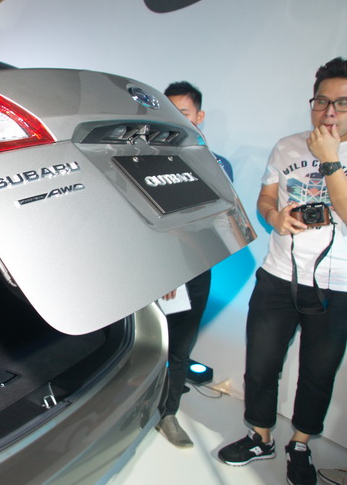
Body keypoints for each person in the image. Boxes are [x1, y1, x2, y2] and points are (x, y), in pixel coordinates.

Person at [217, 57, 347, 485]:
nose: (329, 112)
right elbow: (265, 199)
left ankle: (301, 444)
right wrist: (276, 217)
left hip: (337, 285)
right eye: (322, 101)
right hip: (277, 275)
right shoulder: (287, 146)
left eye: (342, 103)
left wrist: (330, 160)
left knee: (317, 374)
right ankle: (260, 436)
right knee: (261, 364)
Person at [155, 81, 233, 448]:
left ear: (198, 117)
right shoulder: (142, 159)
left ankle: (167, 413)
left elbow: (211, 224)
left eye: (182, 112)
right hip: (150, 272)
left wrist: (178, 270)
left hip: (192, 271)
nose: (174, 118)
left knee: (179, 349)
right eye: (168, 111)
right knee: (143, 346)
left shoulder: (217, 165)